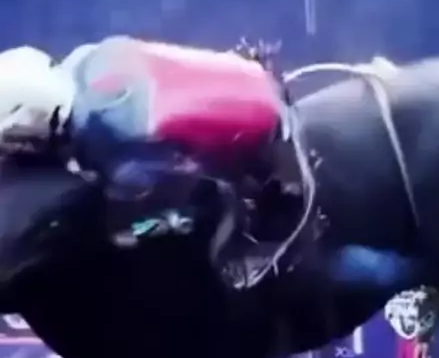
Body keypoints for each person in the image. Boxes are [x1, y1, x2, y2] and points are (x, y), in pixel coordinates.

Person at [0, 37, 313, 280]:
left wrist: (123, 226)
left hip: (267, 150)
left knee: (172, 245)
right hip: (256, 75)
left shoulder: (107, 141)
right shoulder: (92, 56)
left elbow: (145, 201)